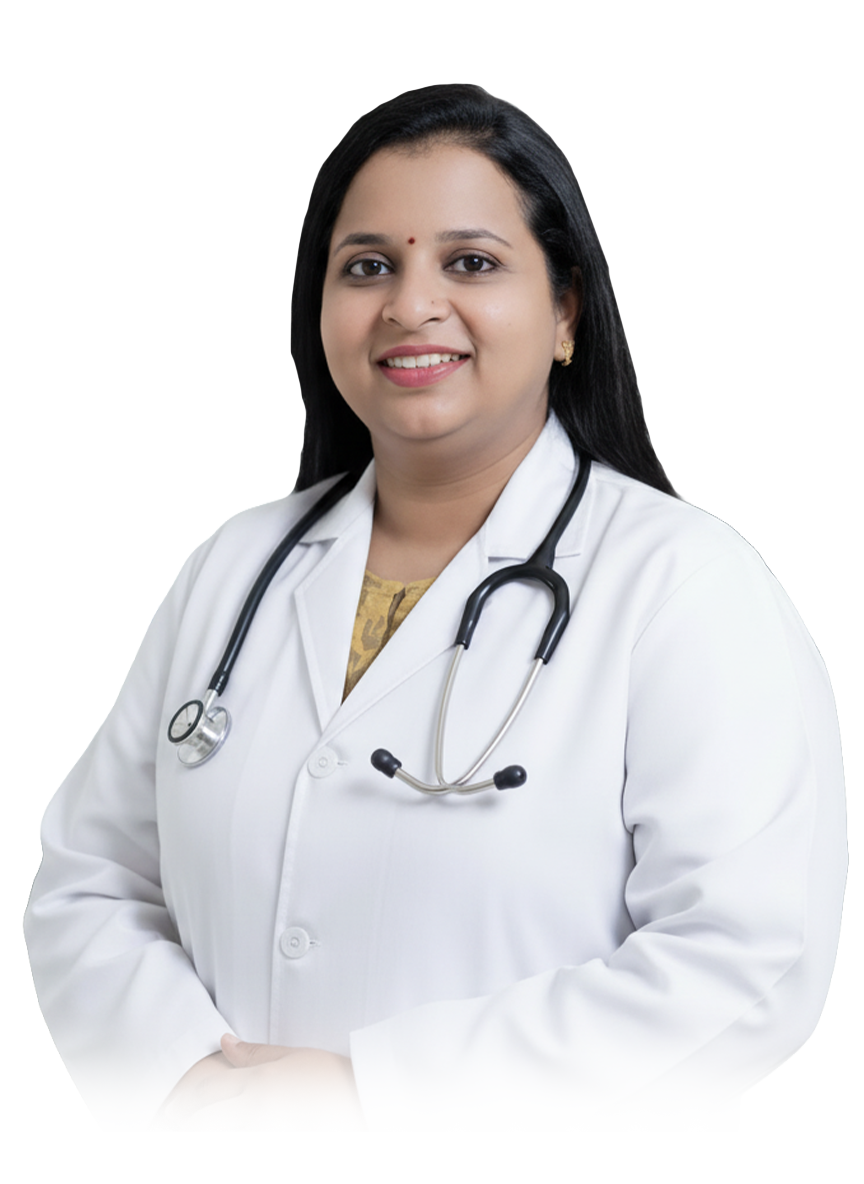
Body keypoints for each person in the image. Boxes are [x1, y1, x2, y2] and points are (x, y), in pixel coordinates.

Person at [24, 83, 847, 1133]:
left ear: (566, 312)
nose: (410, 304)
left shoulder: (686, 586)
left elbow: (748, 962)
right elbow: (91, 879)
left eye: (471, 262)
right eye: (368, 265)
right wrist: (191, 1083)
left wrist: (380, 1097)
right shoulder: (235, 570)